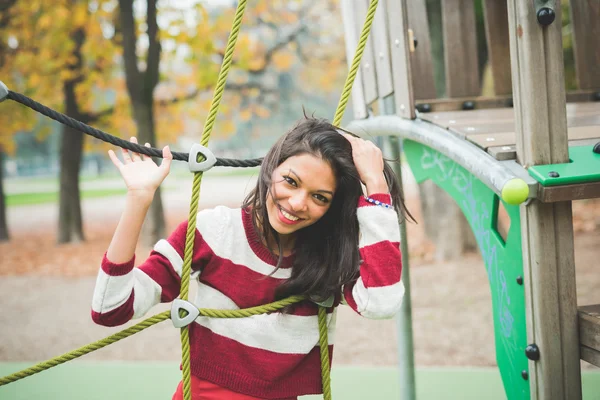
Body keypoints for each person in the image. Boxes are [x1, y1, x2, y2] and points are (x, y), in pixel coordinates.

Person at [91, 115, 412, 400]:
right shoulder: (212, 232)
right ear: (271, 168)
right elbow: (111, 309)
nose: (298, 202)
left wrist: (376, 186)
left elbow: (381, 304)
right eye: (291, 181)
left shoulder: (325, 257)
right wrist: (138, 199)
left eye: (319, 197)